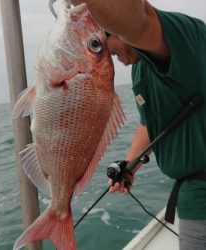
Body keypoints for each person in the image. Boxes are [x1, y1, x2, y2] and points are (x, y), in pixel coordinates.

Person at [70, 1, 206, 249]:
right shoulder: (139, 69)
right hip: (191, 198)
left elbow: (139, 20)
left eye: (108, 50)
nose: (116, 60)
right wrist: (129, 165)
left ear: (115, 28)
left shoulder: (184, 37)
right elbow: (150, 121)